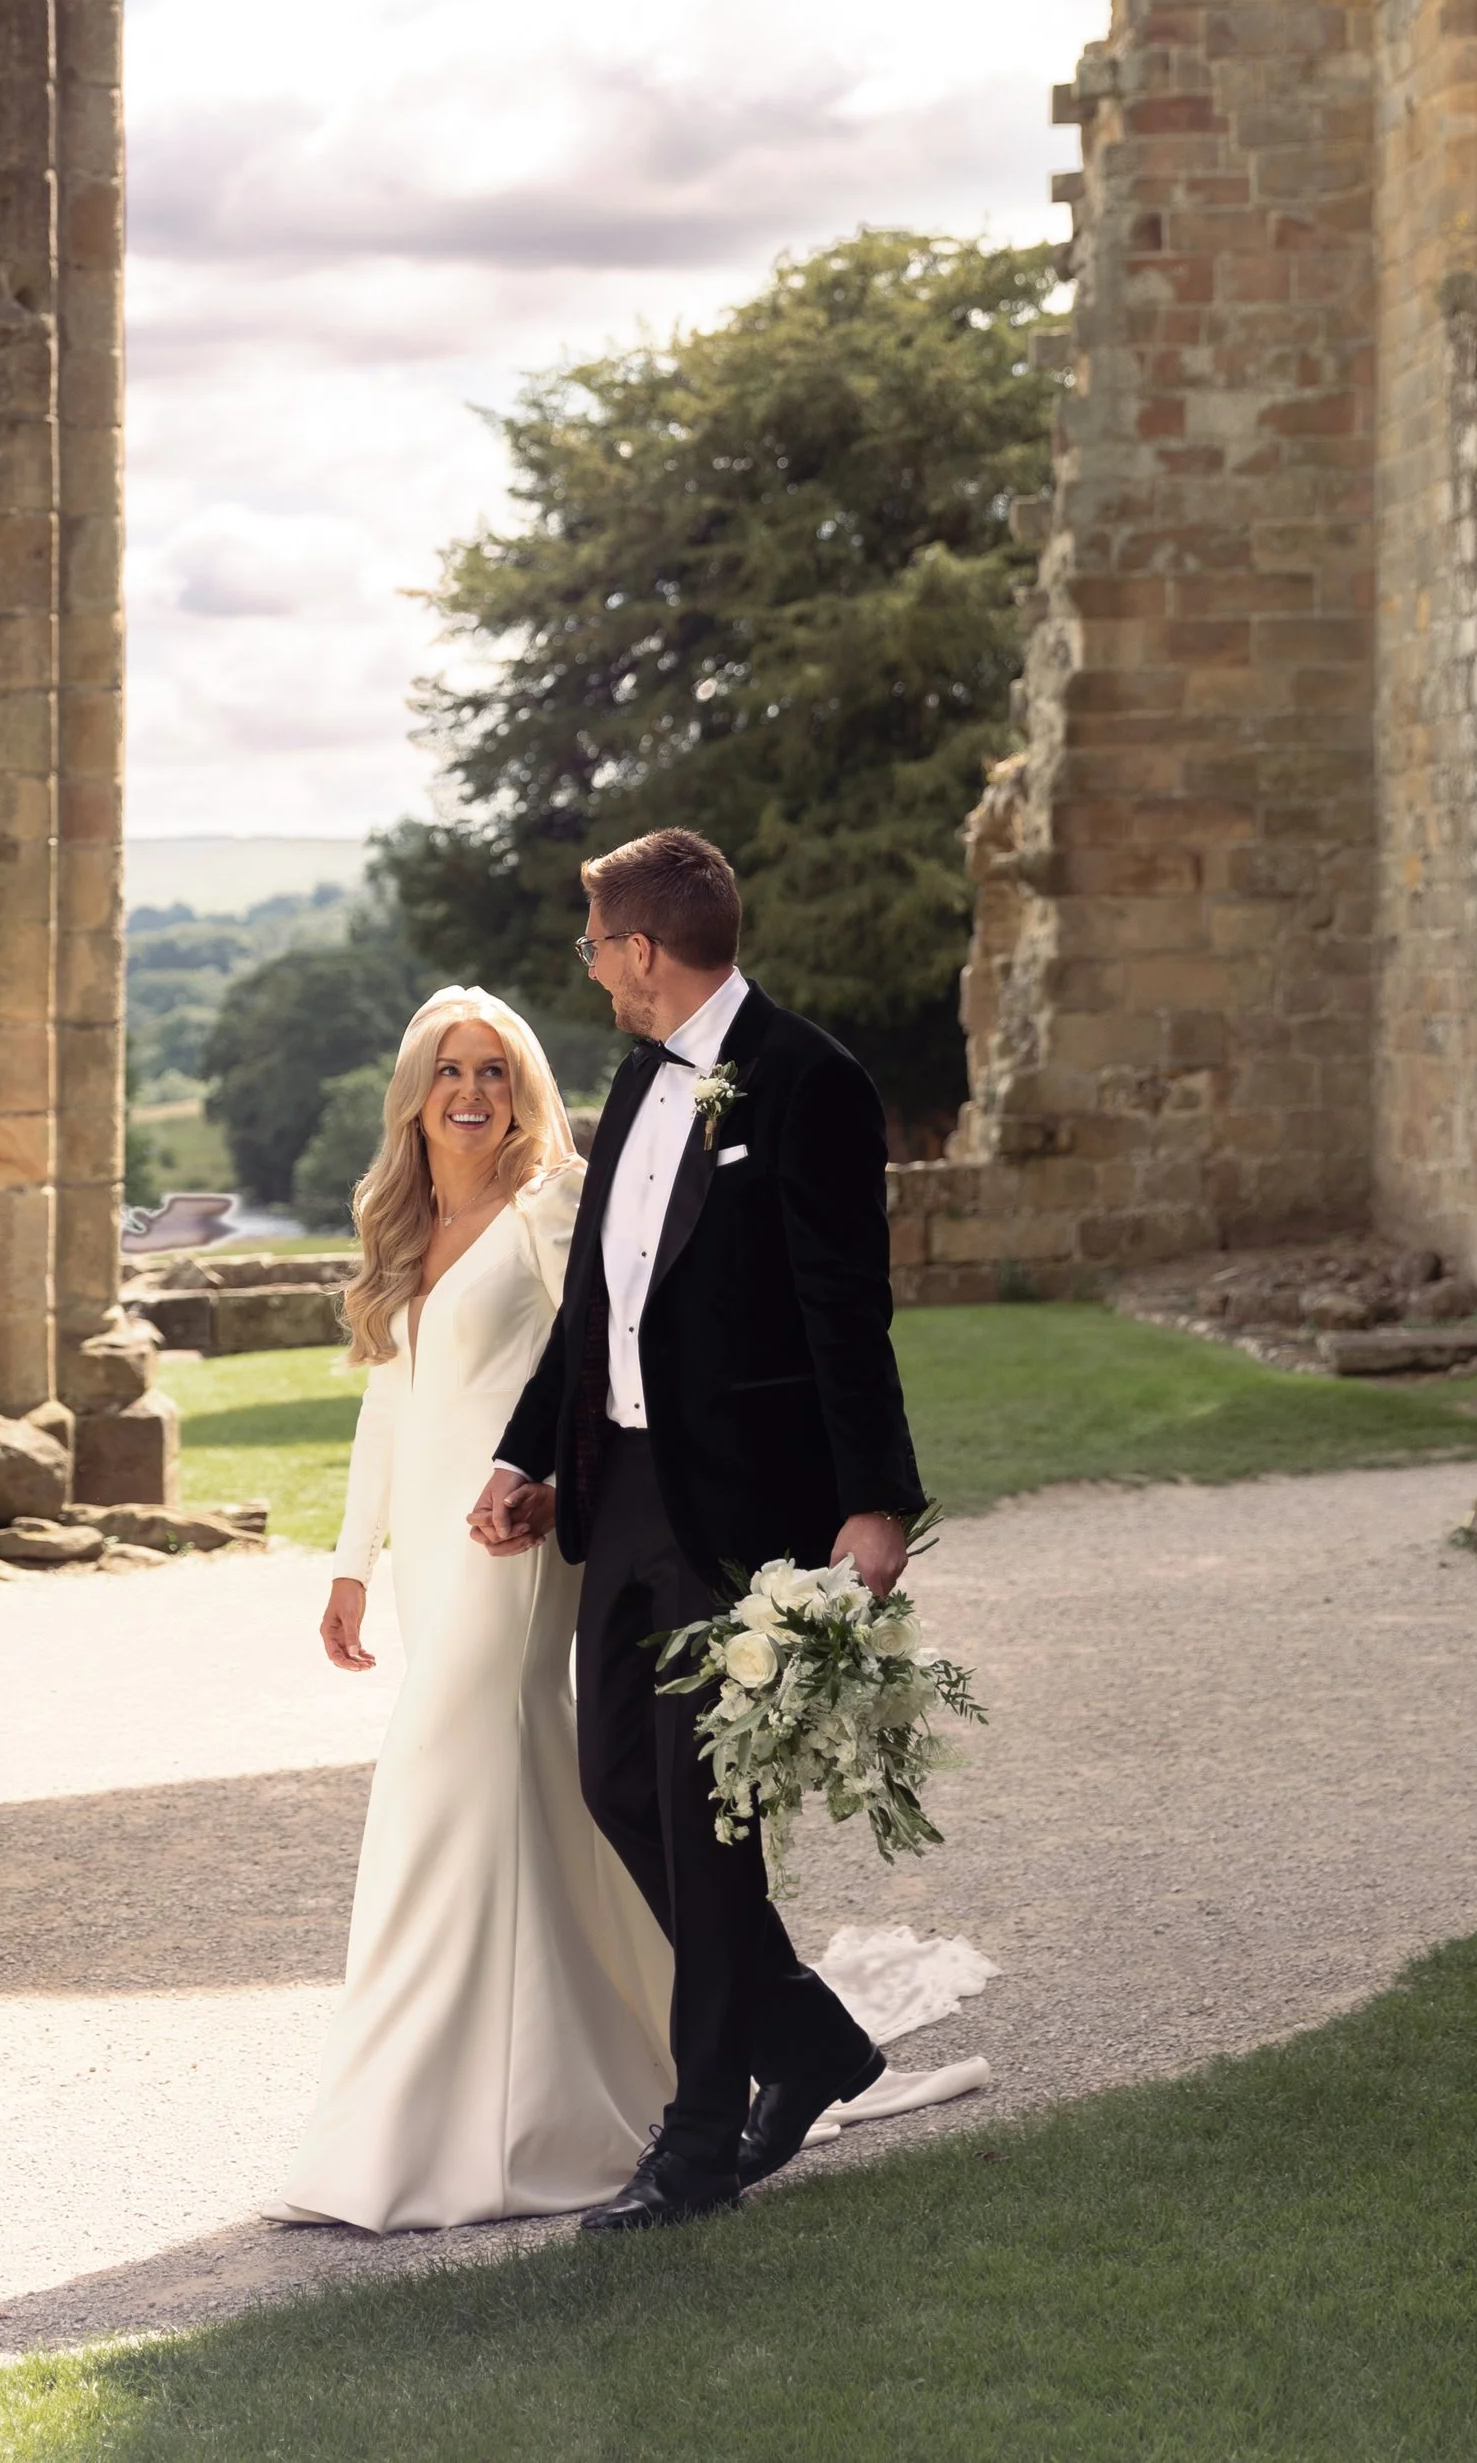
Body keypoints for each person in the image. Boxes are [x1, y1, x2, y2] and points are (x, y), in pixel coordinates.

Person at [470, 826, 924, 2231]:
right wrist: (526, 1452)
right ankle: (817, 2041)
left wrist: (874, 1501)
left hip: (743, 1511)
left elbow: (849, 1309)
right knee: (619, 1783)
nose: (593, 968)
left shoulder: (810, 1083)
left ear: (646, 950)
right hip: (620, 1490)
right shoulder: (638, 1072)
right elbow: (601, 1307)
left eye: (597, 944)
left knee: (702, 1816)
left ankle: (697, 2137)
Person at [280, 988, 673, 2229]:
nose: (471, 1092)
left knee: (437, 1774)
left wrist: (552, 1485)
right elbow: (386, 1410)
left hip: (512, 1537)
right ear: (416, 1091)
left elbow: (606, 1367)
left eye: (494, 1071)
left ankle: (450, 2110)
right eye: (449, 1070)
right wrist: (349, 1563)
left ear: (522, 1087)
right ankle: (629, 2045)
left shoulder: (551, 1202)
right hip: (422, 1557)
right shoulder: (401, 1223)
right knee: (510, 1790)